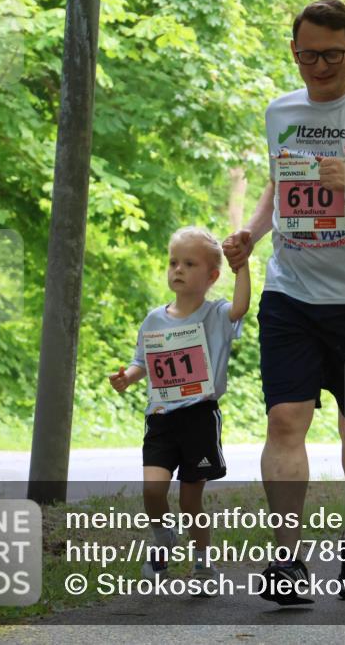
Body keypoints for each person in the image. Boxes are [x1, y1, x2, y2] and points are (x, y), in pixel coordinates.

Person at [222, 0, 345, 604]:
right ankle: (286, 560)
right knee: (285, 419)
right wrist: (251, 234)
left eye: (332, 55)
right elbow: (278, 184)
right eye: (307, 55)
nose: (318, 67)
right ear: (294, 51)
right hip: (291, 294)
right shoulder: (280, 111)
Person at [109, 227, 250, 592]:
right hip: (161, 418)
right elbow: (141, 361)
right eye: (173, 262)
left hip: (199, 418)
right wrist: (128, 377)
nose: (178, 270)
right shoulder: (154, 319)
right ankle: (163, 537)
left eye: (189, 264)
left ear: (212, 276)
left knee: (191, 500)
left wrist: (242, 267)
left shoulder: (217, 314)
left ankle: (202, 564)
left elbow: (241, 307)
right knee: (152, 490)